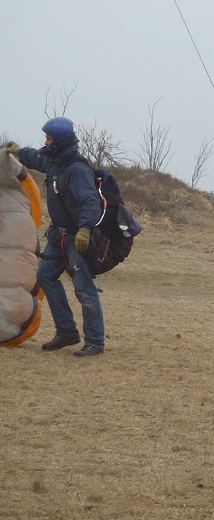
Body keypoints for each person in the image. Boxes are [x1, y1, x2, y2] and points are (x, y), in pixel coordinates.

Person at [5, 117, 106, 356]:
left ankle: (95, 341)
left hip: (77, 238)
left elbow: (90, 201)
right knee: (45, 275)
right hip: (58, 237)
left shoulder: (77, 169)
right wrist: (19, 152)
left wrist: (86, 229)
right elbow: (37, 160)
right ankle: (67, 332)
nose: (46, 142)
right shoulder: (56, 162)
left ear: (58, 141)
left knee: (84, 289)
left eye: (49, 138)